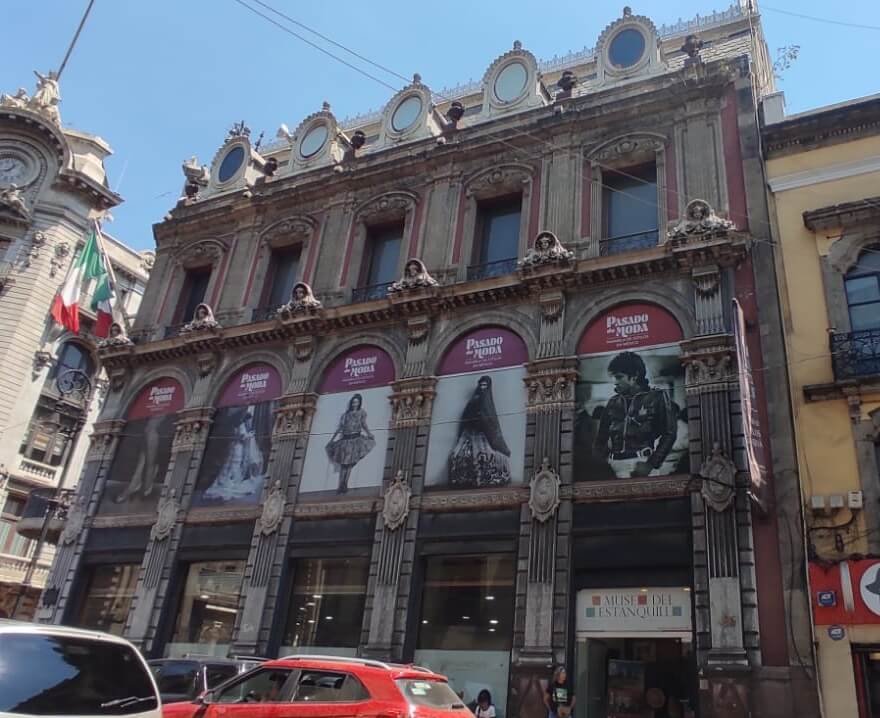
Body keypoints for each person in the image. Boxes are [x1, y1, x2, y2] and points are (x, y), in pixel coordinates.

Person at [591, 351, 677, 478]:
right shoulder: (613, 402)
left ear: (634, 376)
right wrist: (601, 465)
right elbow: (600, 439)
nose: (615, 381)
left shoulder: (657, 397)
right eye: (613, 377)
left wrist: (651, 464)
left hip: (643, 463)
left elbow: (669, 434)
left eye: (619, 377)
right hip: (613, 466)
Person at [448, 375, 511, 487]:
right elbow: (465, 419)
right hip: (470, 434)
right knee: (460, 456)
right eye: (481, 385)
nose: (482, 388)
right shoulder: (473, 401)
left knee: (487, 457)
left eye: (485, 385)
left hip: (484, 436)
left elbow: (492, 423)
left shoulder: (488, 402)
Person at [203, 406, 265, 501]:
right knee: (234, 463)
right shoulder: (239, 426)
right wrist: (249, 436)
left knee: (234, 464)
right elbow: (242, 436)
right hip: (237, 447)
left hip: (236, 446)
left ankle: (232, 479)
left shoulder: (239, 425)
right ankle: (231, 480)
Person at [325, 393, 375, 493]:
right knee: (344, 464)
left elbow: (364, 424)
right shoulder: (345, 415)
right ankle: (340, 485)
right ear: (351, 403)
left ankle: (344, 485)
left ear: (359, 403)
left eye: (356, 402)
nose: (354, 404)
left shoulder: (362, 412)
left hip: (355, 440)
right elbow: (340, 428)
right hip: (345, 441)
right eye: (353, 402)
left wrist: (369, 434)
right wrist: (332, 439)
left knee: (349, 465)